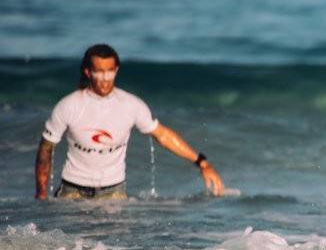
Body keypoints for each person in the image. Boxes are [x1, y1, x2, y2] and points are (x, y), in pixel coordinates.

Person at [35, 44, 224, 200]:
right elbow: (46, 147)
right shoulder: (69, 105)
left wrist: (201, 162)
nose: (105, 79)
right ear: (88, 71)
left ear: (116, 70)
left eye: (109, 71)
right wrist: (41, 193)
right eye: (99, 72)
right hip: (72, 191)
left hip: (114, 192)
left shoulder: (131, 105)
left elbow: (163, 135)